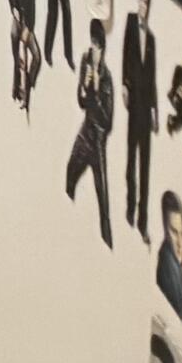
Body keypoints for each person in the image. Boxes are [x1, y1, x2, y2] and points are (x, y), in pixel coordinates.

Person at [65, 13, 116, 246]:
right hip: (86, 133)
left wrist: (96, 88)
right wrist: (85, 87)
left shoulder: (106, 79)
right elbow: (80, 101)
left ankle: (107, 241)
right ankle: (67, 213)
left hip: (98, 141)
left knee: (102, 198)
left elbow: (107, 120)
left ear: (103, 50)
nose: (94, 50)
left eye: (97, 46)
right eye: (92, 44)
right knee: (70, 171)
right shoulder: (86, 61)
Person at [122, 0, 160, 236]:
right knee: (130, 161)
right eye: (140, 0)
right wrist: (124, 84)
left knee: (144, 164)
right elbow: (125, 55)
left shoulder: (153, 40)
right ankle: (129, 207)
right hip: (134, 103)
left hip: (146, 106)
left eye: (146, 1)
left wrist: (156, 110)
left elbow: (153, 76)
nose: (142, 5)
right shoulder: (129, 25)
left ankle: (143, 216)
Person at [7, 0, 40, 105]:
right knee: (18, 58)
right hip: (16, 19)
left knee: (36, 56)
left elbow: (33, 11)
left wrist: (29, 29)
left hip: (27, 25)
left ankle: (28, 83)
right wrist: (13, 9)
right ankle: (19, 92)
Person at [155, 193, 182, 316]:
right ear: (165, 230)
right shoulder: (167, 266)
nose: (180, 243)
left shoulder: (176, 270)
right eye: (174, 232)